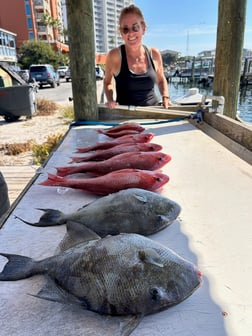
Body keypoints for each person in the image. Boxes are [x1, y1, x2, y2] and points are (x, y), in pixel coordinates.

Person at [104, 4, 171, 109]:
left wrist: (165, 96)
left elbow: (161, 79)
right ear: (121, 33)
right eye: (125, 29)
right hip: (125, 117)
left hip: (154, 112)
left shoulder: (155, 54)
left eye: (135, 27)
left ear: (143, 29)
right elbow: (107, 82)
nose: (130, 33)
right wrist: (110, 99)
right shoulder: (114, 56)